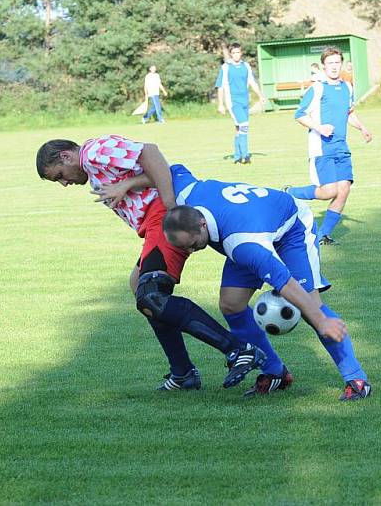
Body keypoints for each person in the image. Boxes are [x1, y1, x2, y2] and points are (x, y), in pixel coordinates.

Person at [35, 136, 265, 391]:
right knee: (139, 288)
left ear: (66, 156)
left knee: (151, 295)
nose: (64, 183)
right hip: (153, 225)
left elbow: (151, 153)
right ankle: (183, 373)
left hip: (160, 217)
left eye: (59, 175)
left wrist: (170, 208)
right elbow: (147, 171)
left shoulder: (93, 152)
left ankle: (237, 350)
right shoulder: (92, 165)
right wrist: (129, 184)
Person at [160, 164, 372, 401]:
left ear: (201, 224)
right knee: (231, 304)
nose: (190, 251)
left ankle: (356, 378)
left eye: (192, 244)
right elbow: (169, 167)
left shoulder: (244, 245)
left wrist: (322, 321)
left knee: (309, 304)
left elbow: (285, 282)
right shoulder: (187, 193)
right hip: (252, 226)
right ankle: (274, 372)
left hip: (291, 228)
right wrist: (127, 184)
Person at [285, 47, 372, 246]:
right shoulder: (317, 88)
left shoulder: (347, 87)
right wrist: (319, 127)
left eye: (337, 63)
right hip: (321, 147)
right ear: (324, 65)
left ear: (341, 64)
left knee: (344, 189)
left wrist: (362, 128)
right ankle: (290, 193)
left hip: (341, 147)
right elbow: (299, 115)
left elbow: (349, 113)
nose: (334, 67)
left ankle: (323, 234)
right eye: (330, 63)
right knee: (329, 191)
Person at [215, 43, 266, 165]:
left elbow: (252, 82)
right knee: (244, 125)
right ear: (231, 54)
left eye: (238, 52)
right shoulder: (226, 67)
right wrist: (220, 104)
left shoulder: (246, 66)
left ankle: (237, 157)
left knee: (239, 129)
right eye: (234, 53)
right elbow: (220, 86)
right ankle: (246, 156)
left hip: (244, 102)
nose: (236, 55)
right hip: (233, 102)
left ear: (241, 53)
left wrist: (260, 95)